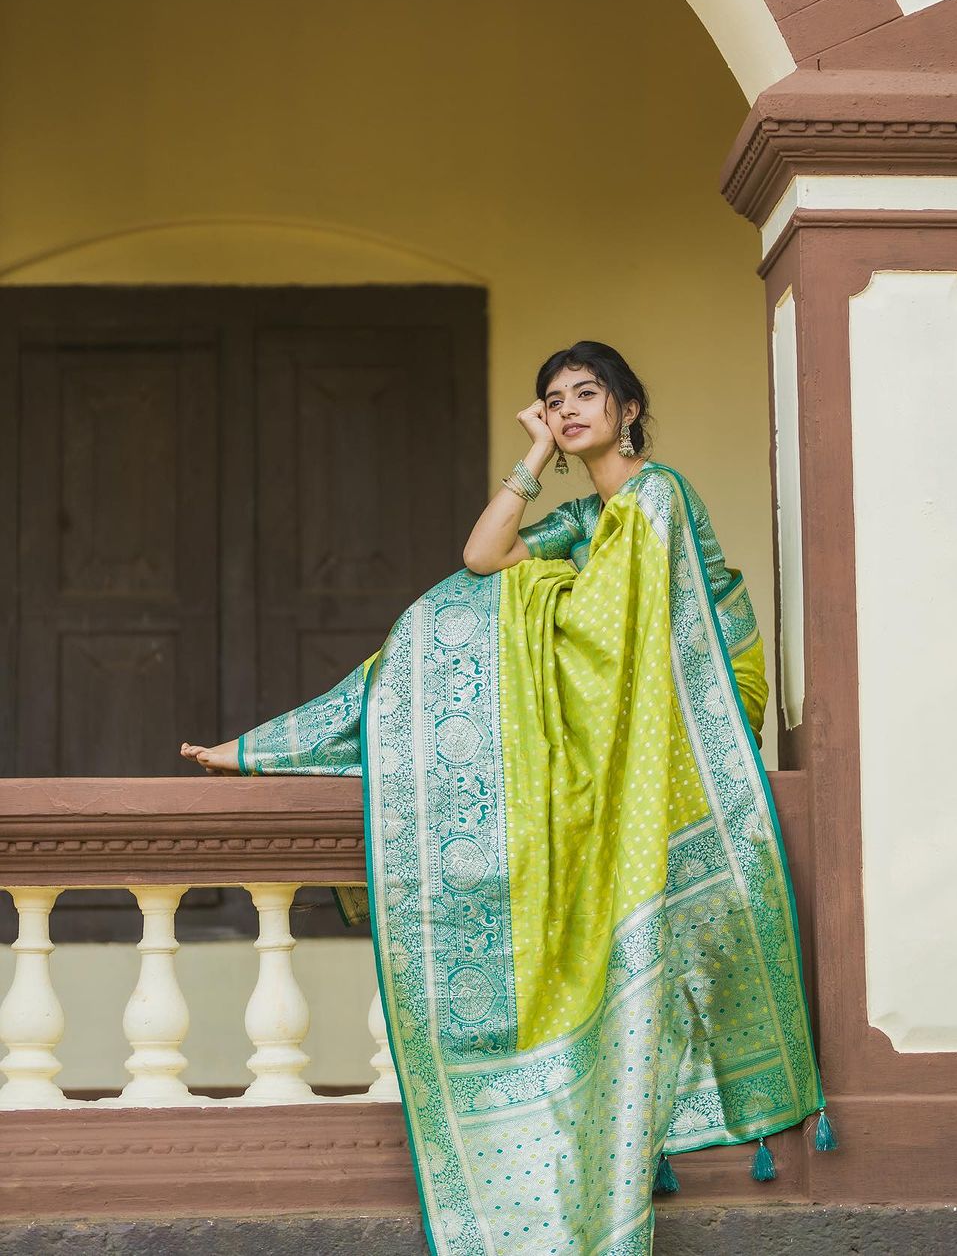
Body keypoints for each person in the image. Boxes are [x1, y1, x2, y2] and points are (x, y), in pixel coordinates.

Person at [181, 340, 831, 1255]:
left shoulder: (657, 495)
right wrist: (530, 459)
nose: (568, 411)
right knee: (449, 614)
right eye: (552, 402)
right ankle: (282, 743)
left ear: (629, 407)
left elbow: (619, 629)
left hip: (695, 694)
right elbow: (482, 554)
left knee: (497, 622)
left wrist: (543, 610)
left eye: (585, 396)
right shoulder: (578, 516)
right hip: (620, 693)